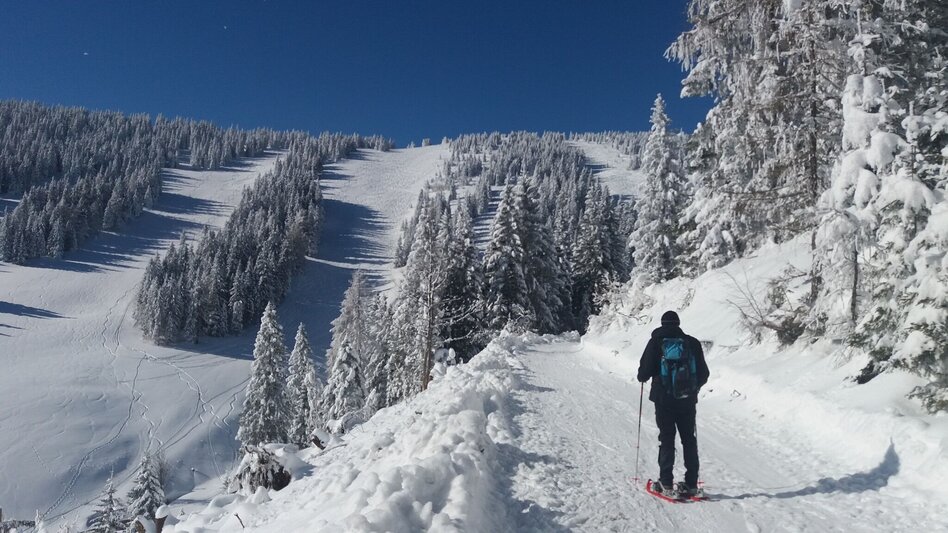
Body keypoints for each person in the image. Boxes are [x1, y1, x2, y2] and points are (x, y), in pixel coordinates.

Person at [637, 310, 709, 496]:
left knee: (667, 438)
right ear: (678, 324)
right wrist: (691, 389)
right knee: (689, 440)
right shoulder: (691, 343)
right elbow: (704, 374)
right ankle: (692, 484)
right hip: (687, 400)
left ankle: (666, 483)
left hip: (664, 400)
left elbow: (643, 374)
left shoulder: (655, 343)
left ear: (662, 324)